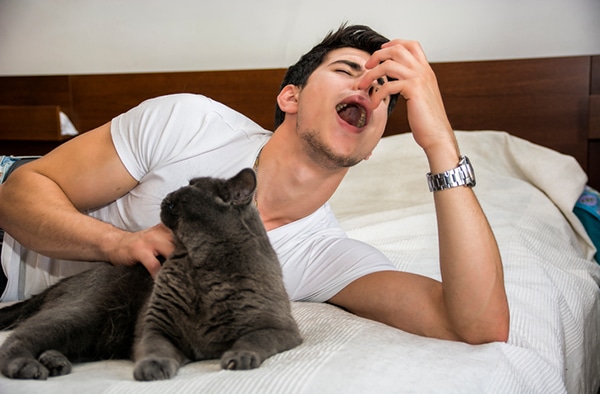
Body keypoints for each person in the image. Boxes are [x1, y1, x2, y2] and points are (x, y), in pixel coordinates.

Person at [0, 24, 509, 344]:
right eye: (347, 69)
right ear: (290, 97)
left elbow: (477, 325)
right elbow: (20, 192)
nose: (368, 89)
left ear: (373, 145)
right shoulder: (190, 122)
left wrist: (440, 142)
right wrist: (119, 244)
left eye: (383, 89)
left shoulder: (323, 256)